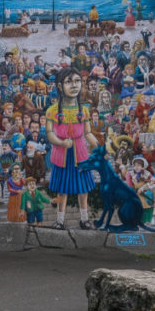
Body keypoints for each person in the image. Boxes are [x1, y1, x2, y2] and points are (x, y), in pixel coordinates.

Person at [45, 67, 98, 229]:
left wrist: (98, 146)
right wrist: (61, 142)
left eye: (77, 81)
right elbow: (49, 133)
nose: (74, 85)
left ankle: (84, 219)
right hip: (61, 155)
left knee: (83, 189)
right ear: (60, 86)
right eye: (69, 82)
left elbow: (88, 133)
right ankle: (60, 221)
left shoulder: (84, 109)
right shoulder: (52, 111)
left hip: (80, 153)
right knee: (62, 190)